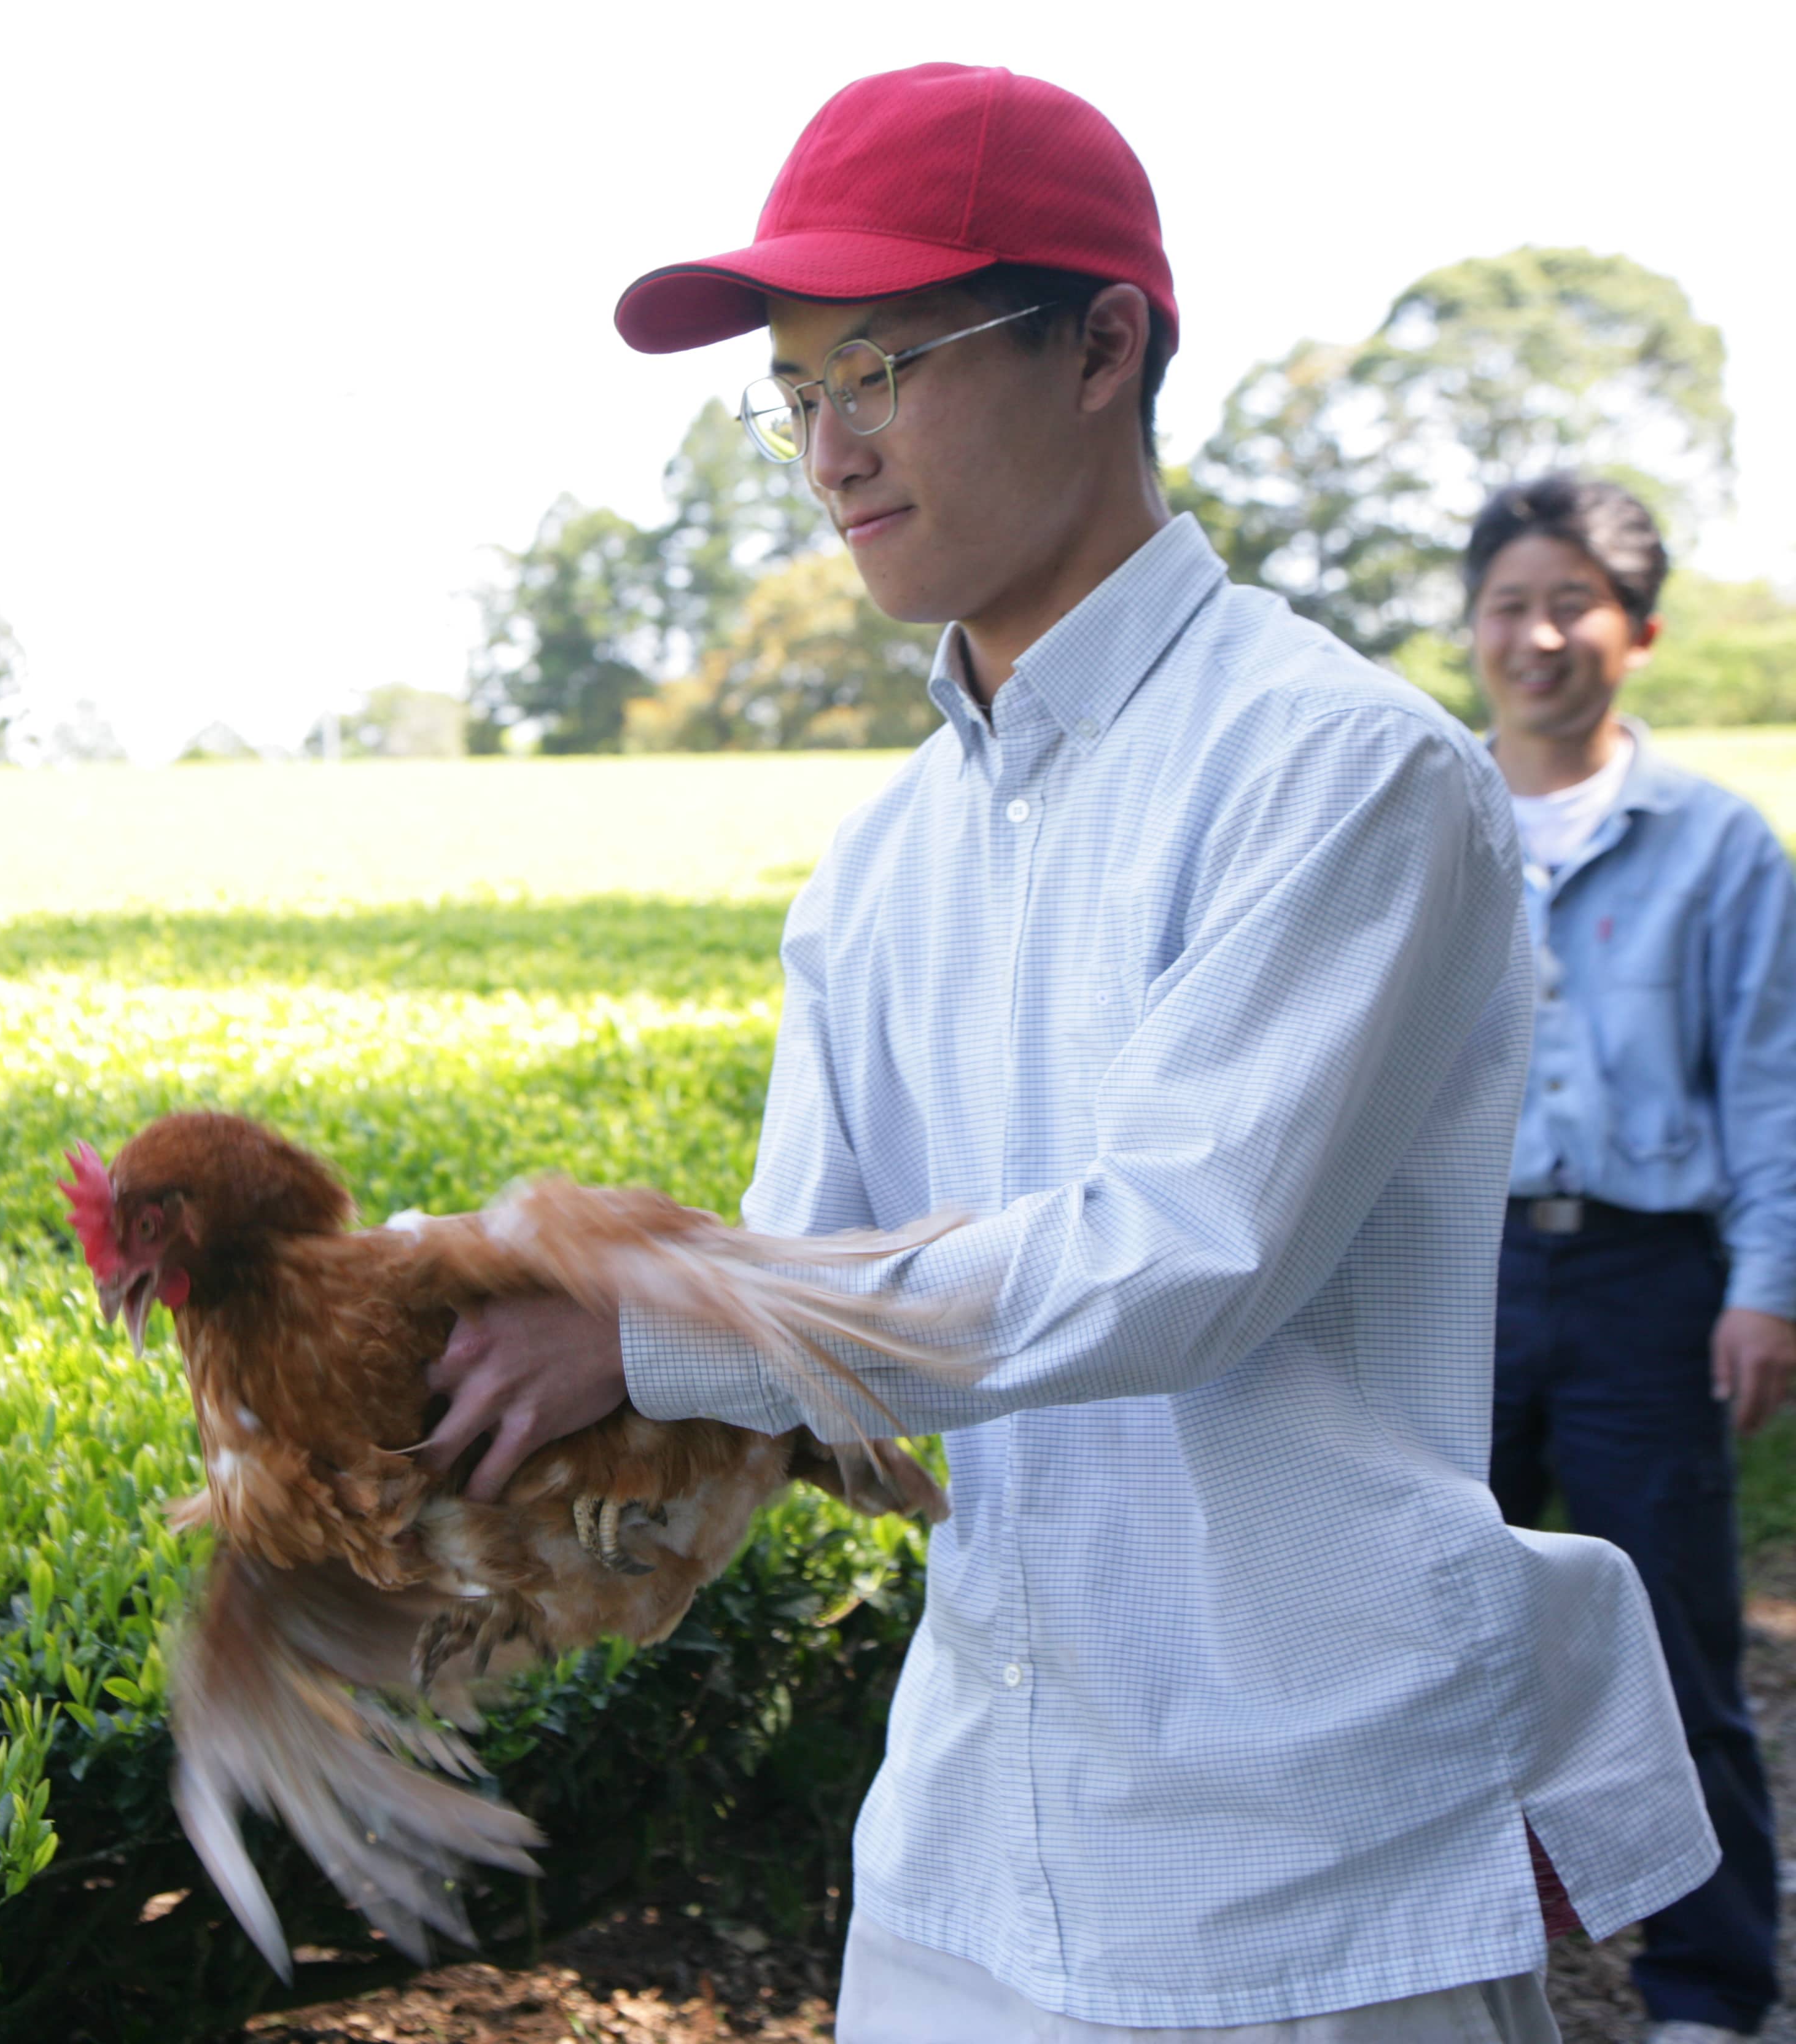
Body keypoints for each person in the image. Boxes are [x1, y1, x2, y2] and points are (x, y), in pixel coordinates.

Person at [413, 62, 1717, 2041]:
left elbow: (1175, 1256)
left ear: (1104, 343)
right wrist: (438, 1350)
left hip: (1299, 1868)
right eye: (795, 396)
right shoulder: (876, 872)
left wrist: (658, 1329)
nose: (832, 450)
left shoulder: (1344, 773)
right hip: (964, 1854)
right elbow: (804, 1355)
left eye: (884, 368)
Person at [1476, 471, 1796, 2044]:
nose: (1537, 636)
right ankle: (1442, 1959)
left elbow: (1773, 1080)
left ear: (1638, 631)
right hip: (1450, 1284)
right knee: (1425, 1623)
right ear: (1473, 628)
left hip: (1647, 1284)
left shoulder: (1723, 846)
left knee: (1675, 1638)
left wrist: (1767, 1285)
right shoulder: (1425, 812)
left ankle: (1710, 1988)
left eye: (1571, 604)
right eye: (1507, 605)